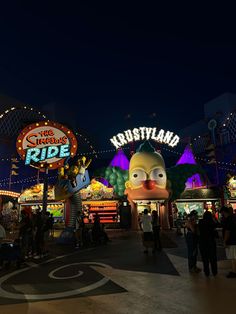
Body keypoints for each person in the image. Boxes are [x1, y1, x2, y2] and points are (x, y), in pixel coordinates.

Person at [198, 211, 218, 277]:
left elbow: (198, 230)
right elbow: (218, 225)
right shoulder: (212, 222)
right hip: (211, 242)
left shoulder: (201, 222)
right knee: (213, 258)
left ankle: (207, 272)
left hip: (203, 242)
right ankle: (214, 272)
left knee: (205, 258)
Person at [220, 206, 236, 278]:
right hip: (234, 240)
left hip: (231, 241)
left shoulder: (228, 220)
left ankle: (234, 272)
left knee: (233, 257)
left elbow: (227, 231)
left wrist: (224, 241)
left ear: (223, 212)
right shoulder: (233, 218)